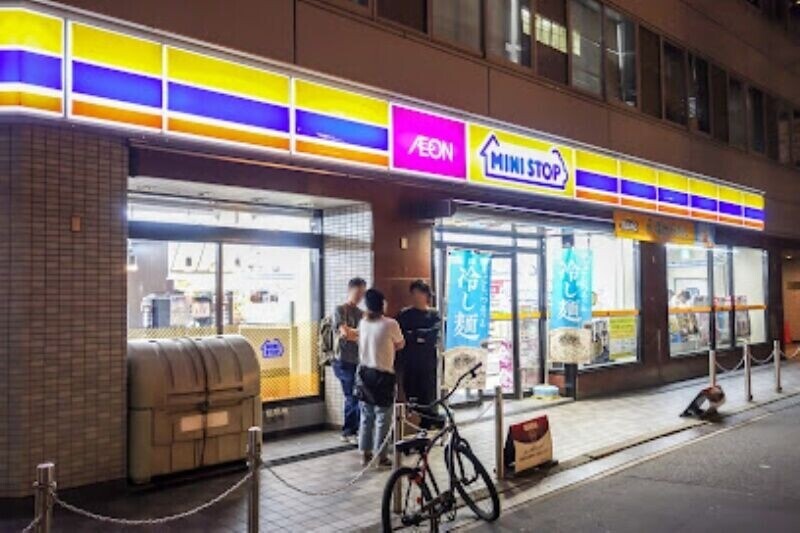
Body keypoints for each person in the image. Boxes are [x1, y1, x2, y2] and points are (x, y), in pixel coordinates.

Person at [356, 288, 405, 466]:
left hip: (364, 373)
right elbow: (400, 344)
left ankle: (365, 453)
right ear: (382, 304)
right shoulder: (390, 324)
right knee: (383, 417)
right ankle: (381, 456)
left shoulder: (363, 323)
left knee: (366, 415)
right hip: (383, 374)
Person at [396, 280, 441, 428]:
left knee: (427, 392)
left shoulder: (434, 314)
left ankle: (428, 423)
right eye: (413, 293)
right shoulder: (404, 314)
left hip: (427, 361)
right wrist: (419, 336)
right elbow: (401, 335)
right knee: (411, 391)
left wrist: (415, 335)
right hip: (409, 361)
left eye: (419, 293)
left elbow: (434, 335)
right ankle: (415, 423)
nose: (416, 297)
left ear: (426, 295)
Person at [333, 277, 366, 444]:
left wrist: (354, 333)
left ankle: (354, 430)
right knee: (351, 395)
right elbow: (345, 333)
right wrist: (355, 333)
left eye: (362, 293)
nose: (360, 296)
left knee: (357, 395)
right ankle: (348, 431)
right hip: (342, 361)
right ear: (350, 290)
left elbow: (363, 334)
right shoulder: (340, 310)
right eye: (357, 292)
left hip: (357, 361)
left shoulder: (362, 314)